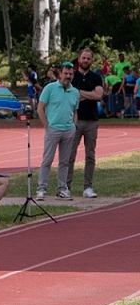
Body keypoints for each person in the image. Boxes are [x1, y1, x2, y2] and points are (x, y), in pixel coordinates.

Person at [35, 62, 80, 201]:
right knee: (47, 160)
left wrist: (74, 126)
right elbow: (40, 108)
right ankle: (41, 189)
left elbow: (75, 111)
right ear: (60, 74)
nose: (68, 76)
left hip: (68, 130)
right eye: (65, 73)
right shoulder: (50, 88)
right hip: (53, 129)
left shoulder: (75, 92)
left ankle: (62, 189)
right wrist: (47, 126)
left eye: (70, 74)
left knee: (65, 162)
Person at [67, 49, 104, 199]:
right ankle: (65, 186)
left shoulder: (96, 77)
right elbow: (68, 94)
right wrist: (89, 94)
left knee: (90, 155)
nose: (86, 60)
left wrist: (79, 92)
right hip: (74, 120)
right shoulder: (72, 76)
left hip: (91, 120)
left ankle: (88, 187)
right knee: (70, 154)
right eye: (84, 58)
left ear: (92, 61)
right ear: (79, 59)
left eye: (88, 58)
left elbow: (98, 95)